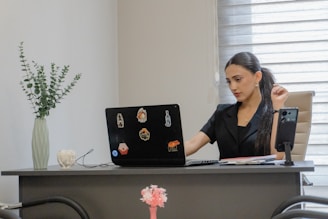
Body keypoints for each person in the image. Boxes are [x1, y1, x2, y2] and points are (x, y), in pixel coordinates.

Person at [184, 52, 288, 160]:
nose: (233, 87)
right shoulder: (222, 113)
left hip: (261, 176)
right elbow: (193, 144)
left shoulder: (274, 113)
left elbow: (278, 156)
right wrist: (167, 153)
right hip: (226, 176)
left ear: (257, 77)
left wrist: (278, 108)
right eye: (229, 81)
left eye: (238, 79)